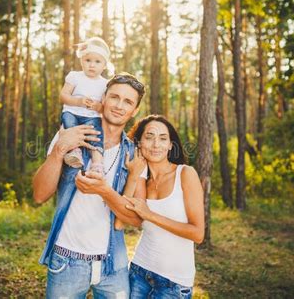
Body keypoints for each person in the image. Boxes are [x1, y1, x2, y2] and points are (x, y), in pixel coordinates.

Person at [33, 72, 146, 298]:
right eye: (114, 97)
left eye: (128, 102)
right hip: (66, 261)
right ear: (103, 98)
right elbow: (39, 195)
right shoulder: (71, 135)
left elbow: (136, 219)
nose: (119, 106)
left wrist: (104, 191)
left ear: (135, 111)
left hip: (114, 266)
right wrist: (59, 150)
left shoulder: (135, 154)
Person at [121, 115, 205, 298]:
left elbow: (198, 234)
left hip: (173, 283)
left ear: (170, 145)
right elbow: (129, 218)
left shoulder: (185, 174)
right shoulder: (143, 180)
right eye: (149, 137)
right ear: (139, 144)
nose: (156, 144)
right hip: (139, 272)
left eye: (162, 138)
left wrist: (151, 215)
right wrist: (135, 173)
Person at [59, 37, 112, 174]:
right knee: (69, 123)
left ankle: (97, 163)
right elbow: (63, 96)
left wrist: (96, 106)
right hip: (72, 112)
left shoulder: (104, 84)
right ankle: (74, 151)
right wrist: (78, 101)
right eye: (88, 60)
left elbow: (103, 108)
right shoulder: (75, 76)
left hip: (91, 116)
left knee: (96, 135)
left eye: (97, 61)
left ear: (104, 65)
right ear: (82, 60)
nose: (92, 65)